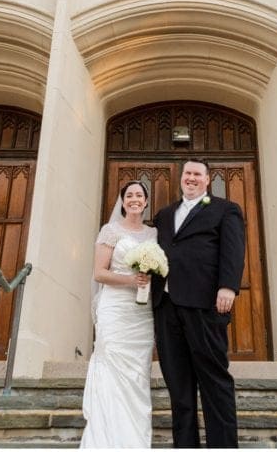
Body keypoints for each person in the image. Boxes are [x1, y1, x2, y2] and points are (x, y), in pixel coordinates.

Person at [152, 159, 246, 448]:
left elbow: (233, 250)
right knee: (178, 385)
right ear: (180, 179)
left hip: (206, 305)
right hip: (167, 306)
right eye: (187, 174)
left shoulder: (225, 209)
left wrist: (228, 286)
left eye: (197, 174)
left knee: (214, 380)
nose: (191, 178)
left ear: (207, 180)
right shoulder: (164, 215)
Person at [80, 180, 156, 449]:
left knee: (137, 373)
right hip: (115, 309)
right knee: (112, 367)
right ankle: (106, 438)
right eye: (129, 195)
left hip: (142, 313)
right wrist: (131, 280)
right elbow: (99, 273)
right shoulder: (110, 231)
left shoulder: (153, 234)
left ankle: (135, 439)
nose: (135, 199)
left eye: (139, 195)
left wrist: (150, 277)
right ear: (122, 202)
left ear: (146, 202)